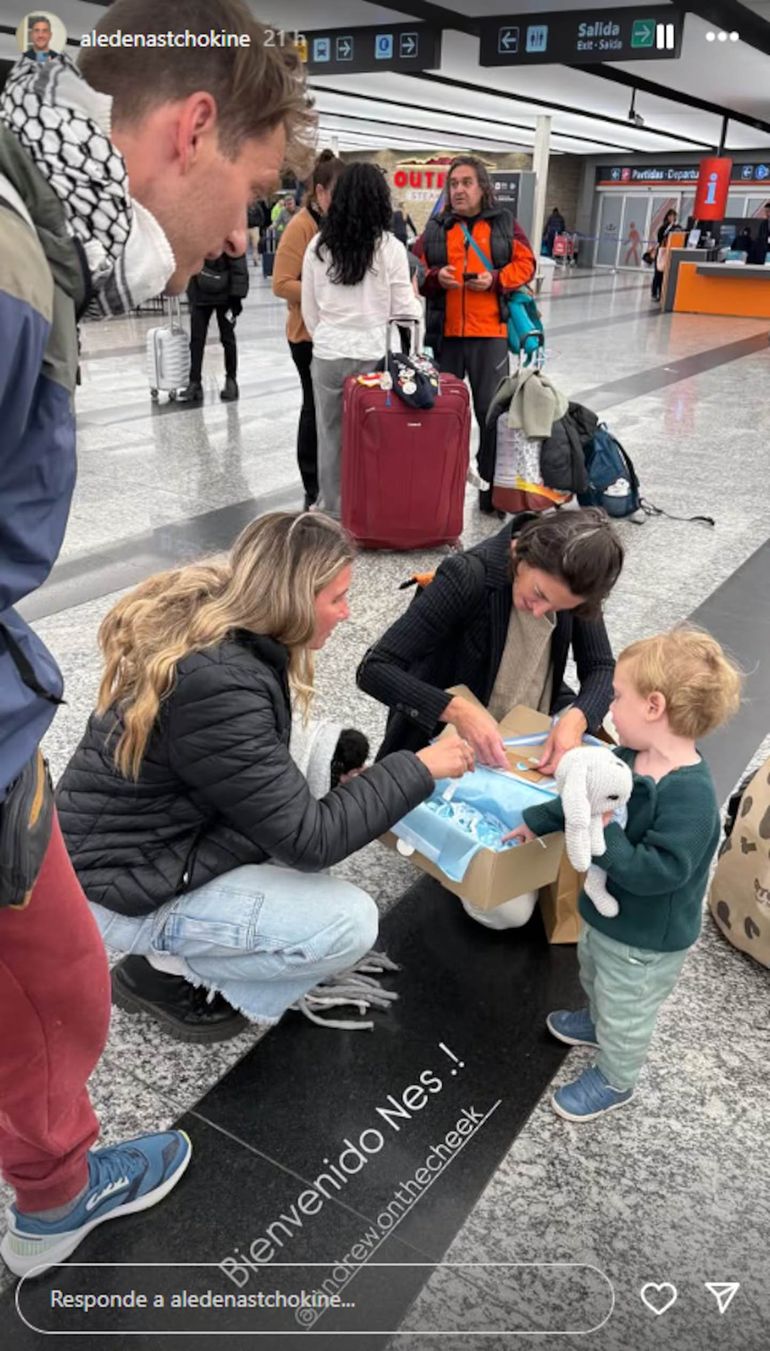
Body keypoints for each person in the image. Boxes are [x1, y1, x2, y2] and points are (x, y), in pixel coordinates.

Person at [0, 0, 316, 1280]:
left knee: (59, 973)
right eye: (249, 194)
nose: (244, 237)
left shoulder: (37, 251)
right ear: (192, 130)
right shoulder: (11, 271)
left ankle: (54, 1185)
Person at [56, 512, 472, 1041]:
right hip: (120, 891)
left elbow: (252, 773)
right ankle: (172, 972)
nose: (347, 613)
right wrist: (418, 768)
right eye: (337, 598)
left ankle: (180, 955)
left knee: (319, 779)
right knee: (347, 923)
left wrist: (352, 781)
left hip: (148, 850)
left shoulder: (227, 642)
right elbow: (310, 841)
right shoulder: (218, 684)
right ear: (294, 599)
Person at [508, 627, 743, 1122]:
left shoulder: (692, 799)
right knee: (593, 969)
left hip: (646, 940)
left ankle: (617, 1078)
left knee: (627, 1008)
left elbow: (660, 873)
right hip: (607, 914)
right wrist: (537, 823)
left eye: (617, 697)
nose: (609, 708)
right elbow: (581, 802)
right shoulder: (628, 757)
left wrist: (608, 837)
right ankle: (596, 1019)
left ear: (654, 706)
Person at [357, 509, 623, 776]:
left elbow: (600, 666)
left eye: (559, 607)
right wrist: (456, 710)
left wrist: (577, 719)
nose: (541, 611)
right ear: (521, 555)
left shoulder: (575, 584)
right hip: (437, 753)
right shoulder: (468, 576)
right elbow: (374, 668)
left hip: (517, 745)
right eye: (539, 594)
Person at [301, 162, 422, 518]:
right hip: (376, 355)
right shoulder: (390, 248)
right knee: (379, 435)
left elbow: (310, 311)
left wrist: (327, 336)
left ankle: (334, 512)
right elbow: (405, 311)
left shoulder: (318, 246)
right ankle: (376, 509)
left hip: (328, 354)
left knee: (331, 436)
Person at [419, 156, 536, 513]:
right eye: (453, 184)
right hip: (447, 336)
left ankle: (490, 492)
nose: (458, 190)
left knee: (490, 415)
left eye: (466, 183)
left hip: (490, 336)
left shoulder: (504, 224)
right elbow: (416, 267)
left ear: (482, 187)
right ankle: (441, 488)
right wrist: (435, 277)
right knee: (444, 415)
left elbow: (527, 264)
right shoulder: (437, 227)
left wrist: (497, 279)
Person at [272, 149, 345, 508]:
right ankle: (312, 483)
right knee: (314, 409)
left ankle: (335, 481)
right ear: (319, 192)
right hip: (306, 335)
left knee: (333, 412)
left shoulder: (340, 225)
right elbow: (281, 282)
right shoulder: (302, 226)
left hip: (336, 335)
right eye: (337, 191)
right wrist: (322, 292)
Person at [179, 251, 249, 403]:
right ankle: (195, 381)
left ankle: (231, 380)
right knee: (197, 340)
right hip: (200, 291)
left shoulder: (229, 231)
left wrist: (237, 296)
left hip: (226, 294)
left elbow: (238, 260)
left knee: (227, 338)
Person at [651, 209, 678, 301]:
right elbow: (660, 239)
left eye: (674, 216)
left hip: (670, 252)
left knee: (665, 274)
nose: (672, 218)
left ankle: (662, 293)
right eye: (670, 216)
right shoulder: (663, 228)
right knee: (658, 273)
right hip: (662, 251)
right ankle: (654, 293)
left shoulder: (677, 227)